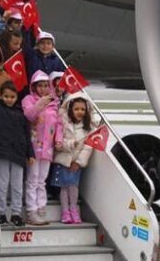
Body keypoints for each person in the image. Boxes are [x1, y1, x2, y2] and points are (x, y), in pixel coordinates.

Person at [0, 80, 33, 226]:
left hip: (18, 152)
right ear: (0, 96)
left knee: (17, 185)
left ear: (17, 97)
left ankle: (16, 213)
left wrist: (30, 154)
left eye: (12, 97)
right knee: (2, 183)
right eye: (6, 96)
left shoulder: (21, 113)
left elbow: (27, 134)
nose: (9, 99)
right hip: (2, 151)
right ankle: (1, 213)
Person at [52, 95, 100, 224]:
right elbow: (59, 142)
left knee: (73, 187)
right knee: (64, 187)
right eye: (76, 109)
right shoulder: (64, 124)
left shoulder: (88, 128)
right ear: (70, 110)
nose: (80, 112)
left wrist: (79, 162)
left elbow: (88, 148)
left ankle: (74, 209)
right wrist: (70, 144)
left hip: (75, 163)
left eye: (83, 109)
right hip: (64, 160)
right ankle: (65, 211)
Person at [22, 71, 61, 225]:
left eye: (46, 85)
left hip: (48, 148)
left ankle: (41, 207)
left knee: (42, 179)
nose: (43, 89)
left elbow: (58, 124)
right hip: (33, 147)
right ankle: (31, 210)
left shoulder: (55, 102)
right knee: (32, 179)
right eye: (40, 85)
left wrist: (58, 139)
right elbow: (29, 115)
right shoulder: (28, 100)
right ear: (34, 86)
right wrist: (40, 104)